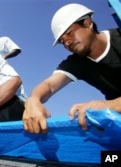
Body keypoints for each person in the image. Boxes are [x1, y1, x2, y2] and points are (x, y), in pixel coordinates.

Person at [23, 3, 121, 134]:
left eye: (69, 33)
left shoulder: (118, 39)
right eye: (62, 41)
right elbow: (49, 85)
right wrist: (33, 100)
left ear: (88, 23)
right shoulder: (76, 62)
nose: (67, 42)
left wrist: (107, 106)